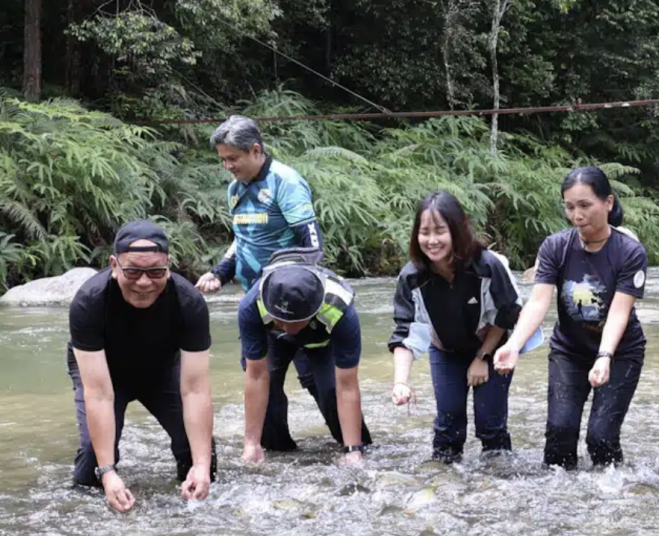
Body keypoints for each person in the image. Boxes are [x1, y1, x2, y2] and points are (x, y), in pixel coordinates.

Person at [494, 166, 647, 470]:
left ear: (609, 202)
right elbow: (539, 302)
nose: (577, 215)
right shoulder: (555, 247)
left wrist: (604, 356)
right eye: (570, 207)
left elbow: (619, 310)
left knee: (600, 437)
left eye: (585, 205)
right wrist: (513, 344)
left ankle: (612, 495)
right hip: (569, 352)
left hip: (620, 353)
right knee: (560, 435)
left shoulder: (629, 252)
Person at [196, 115, 325, 452]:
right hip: (259, 308)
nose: (227, 166)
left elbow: (312, 246)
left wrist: (269, 283)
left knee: (318, 382)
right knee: (263, 381)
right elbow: (243, 239)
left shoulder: (286, 182)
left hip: (296, 302)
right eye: (222, 159)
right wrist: (220, 272)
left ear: (255, 150)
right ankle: (279, 458)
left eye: (232, 159)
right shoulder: (235, 189)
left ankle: (355, 448)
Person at [67, 220, 216, 513]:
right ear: (114, 264)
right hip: (105, 373)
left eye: (156, 272)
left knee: (203, 455)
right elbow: (98, 394)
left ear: (169, 266)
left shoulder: (190, 303)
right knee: (92, 462)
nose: (144, 282)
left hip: (161, 369)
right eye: (133, 271)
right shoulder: (89, 302)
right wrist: (108, 472)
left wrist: (201, 464)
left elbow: (195, 390)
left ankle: (192, 510)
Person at [389, 192, 530, 461]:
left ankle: (498, 480)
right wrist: (400, 382)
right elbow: (407, 331)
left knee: (490, 422)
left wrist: (483, 357)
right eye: (424, 232)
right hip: (445, 349)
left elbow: (508, 313)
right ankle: (444, 480)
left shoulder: (487, 266)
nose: (432, 241)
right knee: (449, 424)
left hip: (493, 347)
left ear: (456, 229)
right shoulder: (412, 277)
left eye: (440, 231)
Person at [238, 248, 372, 467]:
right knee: (268, 384)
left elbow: (347, 385)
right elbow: (255, 376)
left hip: (321, 340)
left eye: (295, 322)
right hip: (272, 338)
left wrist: (353, 451)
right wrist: (250, 443)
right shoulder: (251, 305)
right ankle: (277, 450)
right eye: (281, 319)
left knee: (329, 390)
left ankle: (356, 446)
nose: (287, 328)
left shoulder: (339, 308)